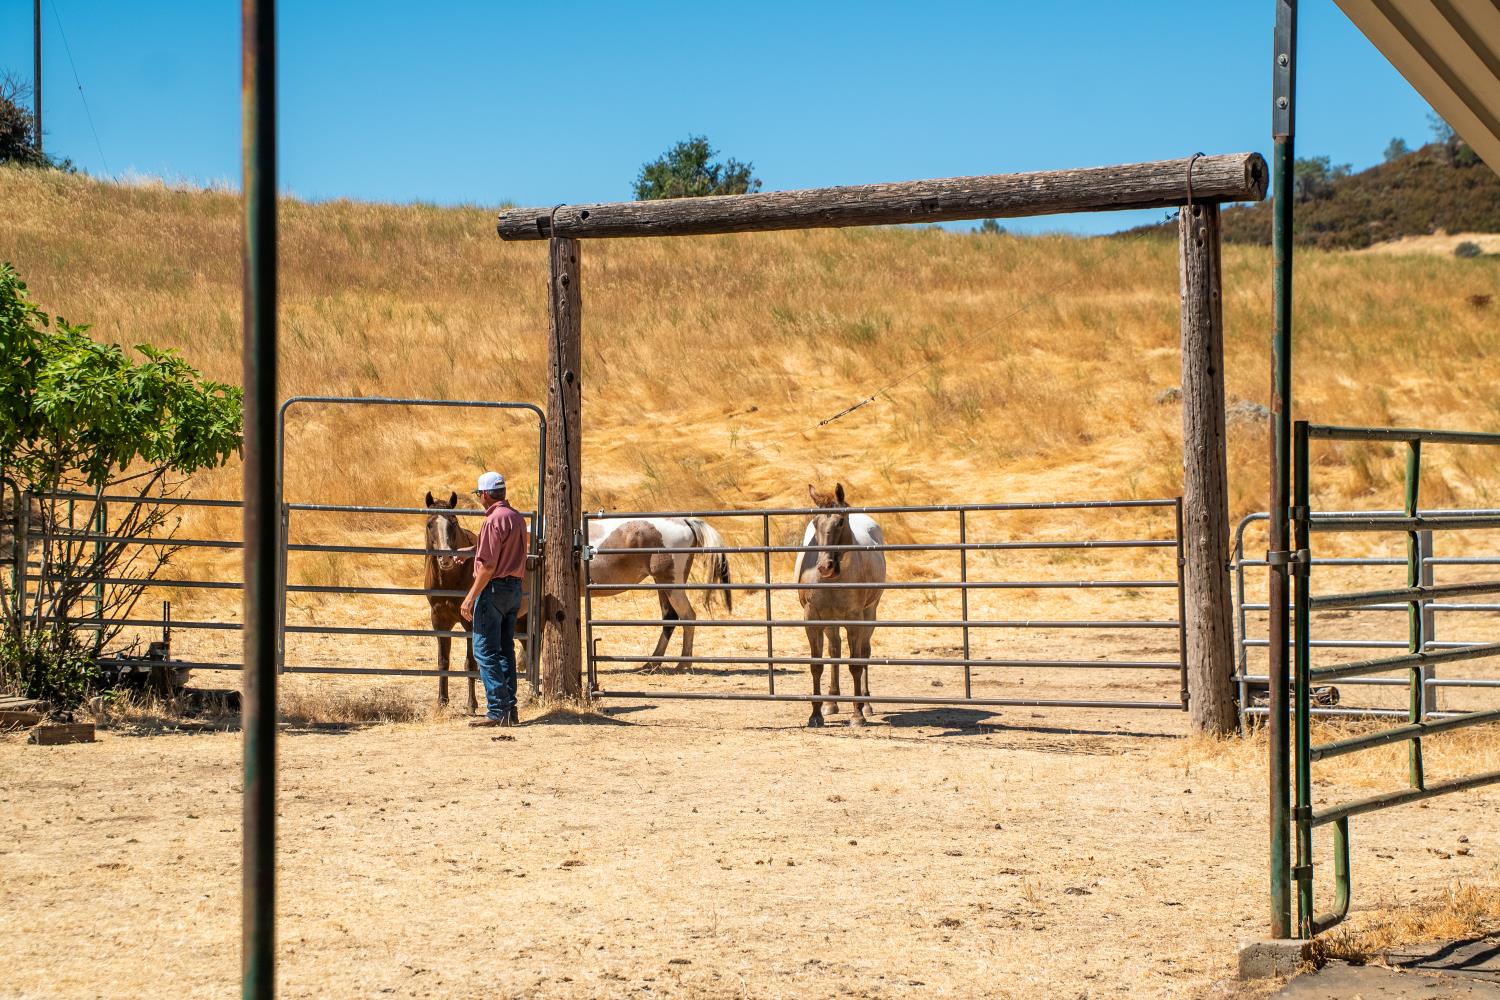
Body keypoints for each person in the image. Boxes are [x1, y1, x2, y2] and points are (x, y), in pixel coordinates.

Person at [460, 470, 527, 727]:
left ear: (486, 495)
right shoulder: (516, 518)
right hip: (514, 590)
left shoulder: (491, 521)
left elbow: (488, 565)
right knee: (504, 649)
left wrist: (469, 597)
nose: (480, 499)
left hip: (493, 591)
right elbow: (491, 550)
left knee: (484, 650)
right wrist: (467, 554)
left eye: (479, 494)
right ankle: (510, 709)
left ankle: (497, 709)